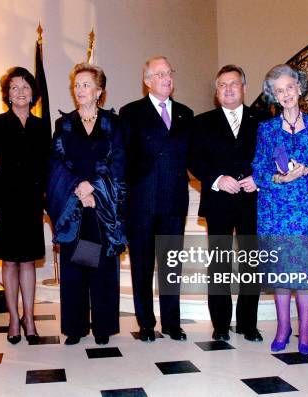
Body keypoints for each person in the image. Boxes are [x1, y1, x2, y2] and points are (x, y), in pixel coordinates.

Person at [252, 64, 308, 355]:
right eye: (278, 90)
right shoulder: (266, 129)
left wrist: (307, 170)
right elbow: (258, 167)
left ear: (300, 88)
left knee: (305, 270)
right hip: (275, 207)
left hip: (306, 206)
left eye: (289, 87)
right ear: (273, 96)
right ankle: (283, 327)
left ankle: (306, 328)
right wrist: (277, 176)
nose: (285, 94)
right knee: (282, 271)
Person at [47, 63, 127, 346]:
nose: (79, 90)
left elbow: (117, 163)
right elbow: (57, 163)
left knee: (102, 265)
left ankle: (103, 326)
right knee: (76, 265)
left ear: (99, 91)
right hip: (75, 207)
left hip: (101, 207)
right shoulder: (64, 124)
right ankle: (76, 327)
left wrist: (95, 188)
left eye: (85, 85)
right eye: (76, 85)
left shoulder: (112, 124)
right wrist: (78, 189)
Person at [120, 56, 192, 342]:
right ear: (147, 81)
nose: (166, 78)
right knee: (142, 264)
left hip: (175, 200)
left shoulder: (186, 113)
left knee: (171, 265)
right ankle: (146, 323)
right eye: (160, 74)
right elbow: (123, 159)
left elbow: (194, 155)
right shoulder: (131, 112)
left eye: (169, 72)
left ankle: (172, 323)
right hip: (143, 201)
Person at [189, 65, 262, 342]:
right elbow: (194, 160)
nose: (228, 89)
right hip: (218, 201)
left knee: (251, 265)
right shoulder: (202, 122)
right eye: (222, 85)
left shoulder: (262, 121)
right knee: (219, 264)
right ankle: (220, 325)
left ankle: (248, 324)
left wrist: (260, 178)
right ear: (216, 91)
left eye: (233, 84)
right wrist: (218, 179)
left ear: (244, 87)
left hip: (251, 201)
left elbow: (272, 157)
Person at [0, 67, 51, 345]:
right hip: (5, 202)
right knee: (9, 261)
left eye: (25, 87)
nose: (20, 92)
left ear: (33, 93)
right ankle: (13, 318)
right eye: (14, 87)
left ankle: (29, 318)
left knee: (28, 262)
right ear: (7, 94)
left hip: (33, 202)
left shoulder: (41, 126)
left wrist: (48, 202)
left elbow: (48, 168)